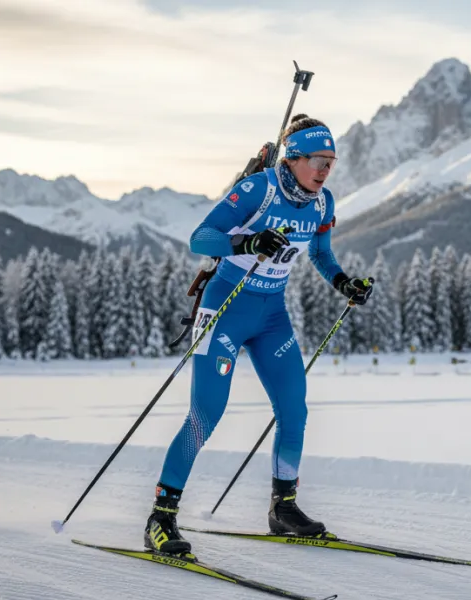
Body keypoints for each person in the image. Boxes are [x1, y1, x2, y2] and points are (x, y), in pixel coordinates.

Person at [144, 114, 374, 555]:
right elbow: (201, 237)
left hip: (271, 316)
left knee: (294, 409)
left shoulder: (322, 203)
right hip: (225, 307)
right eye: (317, 161)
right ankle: (161, 517)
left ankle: (283, 508)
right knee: (205, 415)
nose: (325, 171)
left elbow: (321, 253)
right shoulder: (259, 189)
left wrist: (344, 283)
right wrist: (246, 243)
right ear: (293, 158)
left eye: (330, 162)